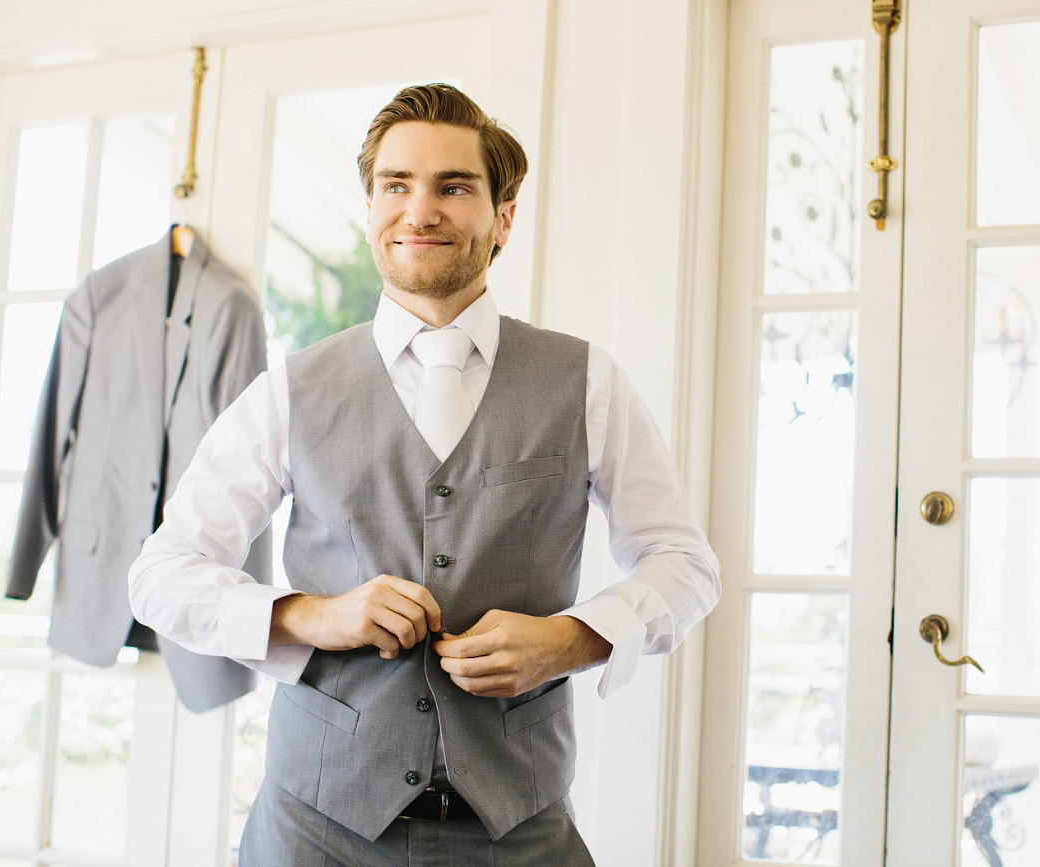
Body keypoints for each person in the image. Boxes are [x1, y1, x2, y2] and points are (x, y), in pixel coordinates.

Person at [128, 82, 719, 866]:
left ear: (503, 216)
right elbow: (162, 574)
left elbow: (685, 564)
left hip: (521, 832)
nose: (420, 210)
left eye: (453, 186)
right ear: (370, 207)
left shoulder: (586, 382)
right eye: (395, 186)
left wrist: (571, 639)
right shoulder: (288, 389)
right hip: (312, 831)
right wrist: (306, 614)